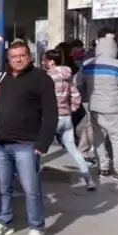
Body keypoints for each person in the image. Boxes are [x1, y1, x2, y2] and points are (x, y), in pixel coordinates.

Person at [0, 41, 58, 235]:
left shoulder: (41, 79)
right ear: (8, 59)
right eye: (13, 56)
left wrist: (42, 144)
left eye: (22, 55)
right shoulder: (4, 78)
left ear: (29, 56)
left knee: (31, 189)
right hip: (0, 143)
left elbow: (51, 114)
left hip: (26, 144)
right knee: (2, 187)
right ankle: (4, 221)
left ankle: (36, 226)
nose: (17, 59)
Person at [76, 36, 118, 182]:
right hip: (115, 109)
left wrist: (88, 97)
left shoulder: (87, 64)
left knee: (99, 139)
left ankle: (103, 169)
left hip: (95, 108)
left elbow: (78, 83)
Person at [44, 49, 94, 190]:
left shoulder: (47, 77)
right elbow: (76, 96)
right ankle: (89, 180)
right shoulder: (68, 75)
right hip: (66, 118)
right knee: (74, 150)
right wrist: (70, 109)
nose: (44, 63)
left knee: (37, 149)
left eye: (45, 60)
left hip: (51, 117)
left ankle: (31, 180)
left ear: (51, 61)